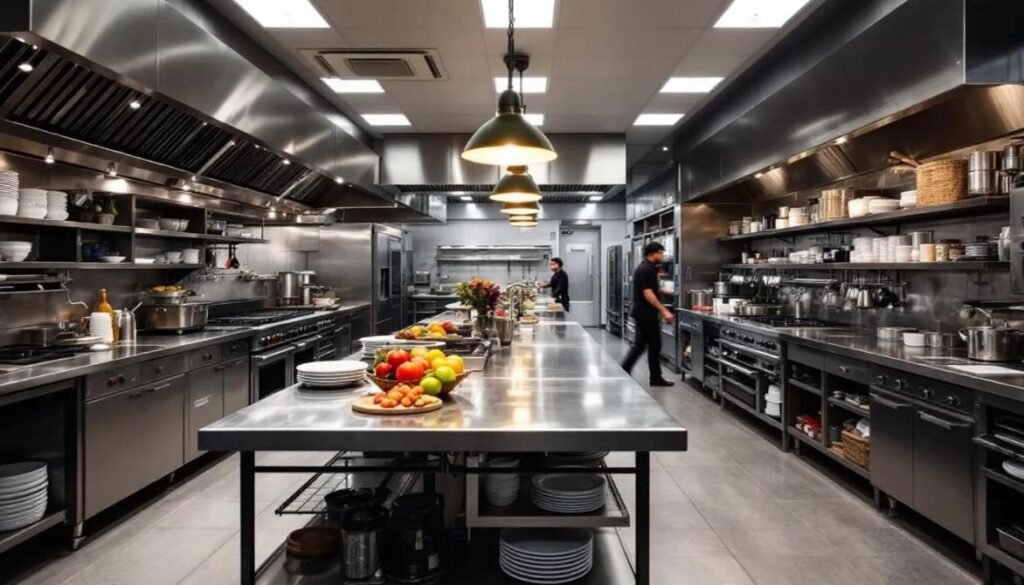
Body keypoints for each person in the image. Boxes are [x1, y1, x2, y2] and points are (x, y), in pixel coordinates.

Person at [621, 242, 675, 387]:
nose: (662, 256)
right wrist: (664, 310)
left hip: (642, 313)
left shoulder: (646, 267)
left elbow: (652, 289)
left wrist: (668, 292)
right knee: (651, 345)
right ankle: (652, 377)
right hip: (646, 313)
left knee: (644, 345)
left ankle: (628, 371)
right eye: (660, 253)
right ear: (653, 253)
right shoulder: (646, 269)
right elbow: (647, 293)